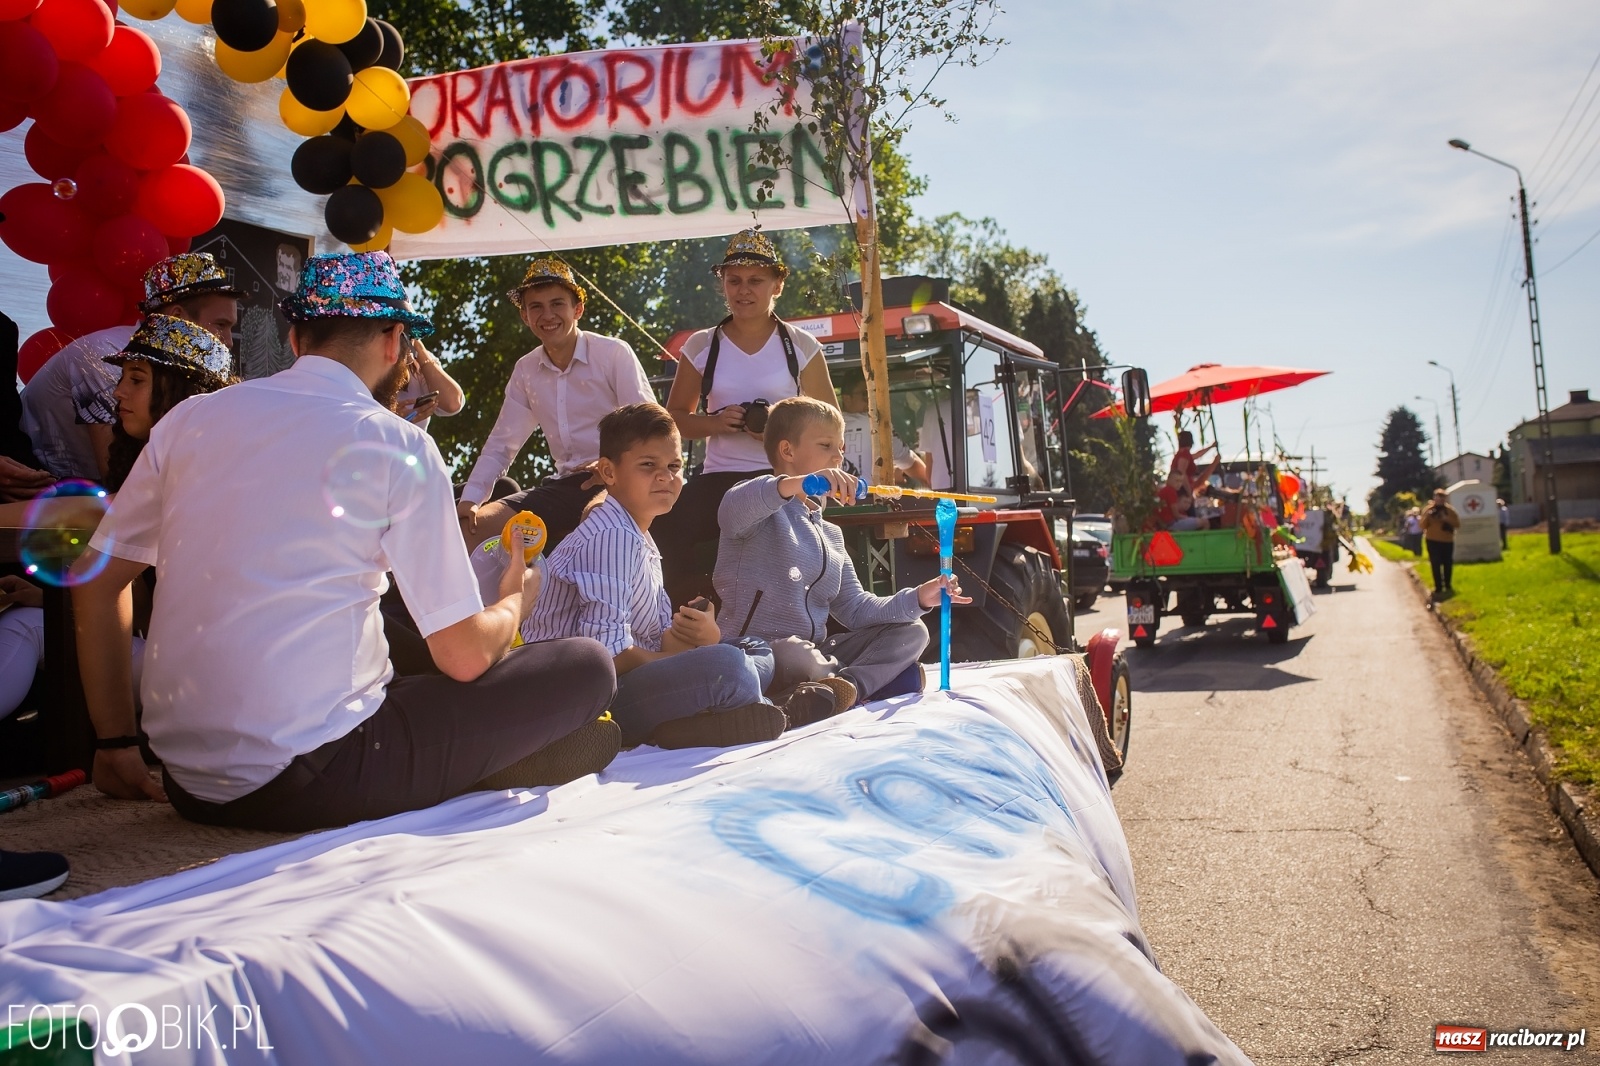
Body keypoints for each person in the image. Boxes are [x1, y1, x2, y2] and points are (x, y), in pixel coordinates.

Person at [71, 251, 619, 833]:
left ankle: (478, 755)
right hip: (315, 775)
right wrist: (517, 600)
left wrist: (115, 744)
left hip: (187, 783)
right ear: (395, 341)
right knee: (586, 666)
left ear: (293, 337)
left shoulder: (189, 419)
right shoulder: (396, 442)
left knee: (399, 659)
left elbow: (96, 582)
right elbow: (462, 656)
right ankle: (486, 764)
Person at [521, 402, 830, 748]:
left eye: (674, 466)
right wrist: (685, 658)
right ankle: (779, 710)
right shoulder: (611, 535)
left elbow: (649, 639)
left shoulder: (638, 534)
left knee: (753, 648)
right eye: (648, 465)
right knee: (728, 666)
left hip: (626, 682)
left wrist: (696, 635)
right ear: (608, 472)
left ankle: (691, 724)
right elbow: (608, 656)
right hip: (584, 705)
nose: (665, 477)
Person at [716, 397, 969, 712]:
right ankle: (869, 685)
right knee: (800, 657)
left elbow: (856, 609)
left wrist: (920, 597)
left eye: (841, 448)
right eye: (825, 446)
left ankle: (844, 689)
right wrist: (803, 483)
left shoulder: (831, 534)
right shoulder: (754, 504)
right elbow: (733, 509)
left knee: (913, 632)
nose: (838, 456)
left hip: (816, 653)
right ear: (787, 451)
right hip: (754, 655)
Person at [658, 229, 837, 605]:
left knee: (794, 547)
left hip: (787, 478)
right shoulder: (702, 344)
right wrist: (716, 423)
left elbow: (830, 422)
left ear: (777, 285)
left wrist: (778, 428)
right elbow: (673, 420)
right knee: (664, 524)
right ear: (722, 284)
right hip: (719, 479)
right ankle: (691, 616)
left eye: (756, 280)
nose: (744, 290)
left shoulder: (802, 346)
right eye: (734, 280)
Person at [457, 258, 654, 553]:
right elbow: (501, 446)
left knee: (596, 524)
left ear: (577, 309)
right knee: (468, 531)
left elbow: (651, 429)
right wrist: (470, 501)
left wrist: (610, 467)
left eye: (557, 304)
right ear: (524, 315)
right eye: (535, 306)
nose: (547, 315)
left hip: (619, 484)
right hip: (565, 486)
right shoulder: (526, 370)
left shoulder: (612, 353)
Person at [20, 253, 241, 482]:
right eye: (220, 325)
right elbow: (118, 477)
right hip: (34, 489)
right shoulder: (102, 354)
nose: (228, 341)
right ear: (177, 317)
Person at [839, 374, 927, 485]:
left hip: (830, 499)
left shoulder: (827, 423)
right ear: (846, 398)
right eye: (865, 394)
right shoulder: (875, 424)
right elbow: (908, 461)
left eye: (874, 394)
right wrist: (930, 482)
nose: (872, 400)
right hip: (868, 498)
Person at [393, 335, 464, 431]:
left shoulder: (418, 361)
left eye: (414, 334)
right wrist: (391, 418)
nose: (411, 339)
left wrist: (420, 350)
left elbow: (453, 403)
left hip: (412, 445)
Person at [1420, 488, 1459, 599]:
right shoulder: (1428, 510)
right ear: (1434, 499)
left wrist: (1446, 519)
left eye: (1442, 499)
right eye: (1437, 499)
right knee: (1435, 564)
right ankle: (1438, 587)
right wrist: (1428, 516)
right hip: (1432, 540)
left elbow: (1457, 524)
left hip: (1447, 541)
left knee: (1447, 564)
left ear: (1445, 499)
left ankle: (1447, 584)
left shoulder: (1450, 511)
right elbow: (1422, 526)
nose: (1439, 501)